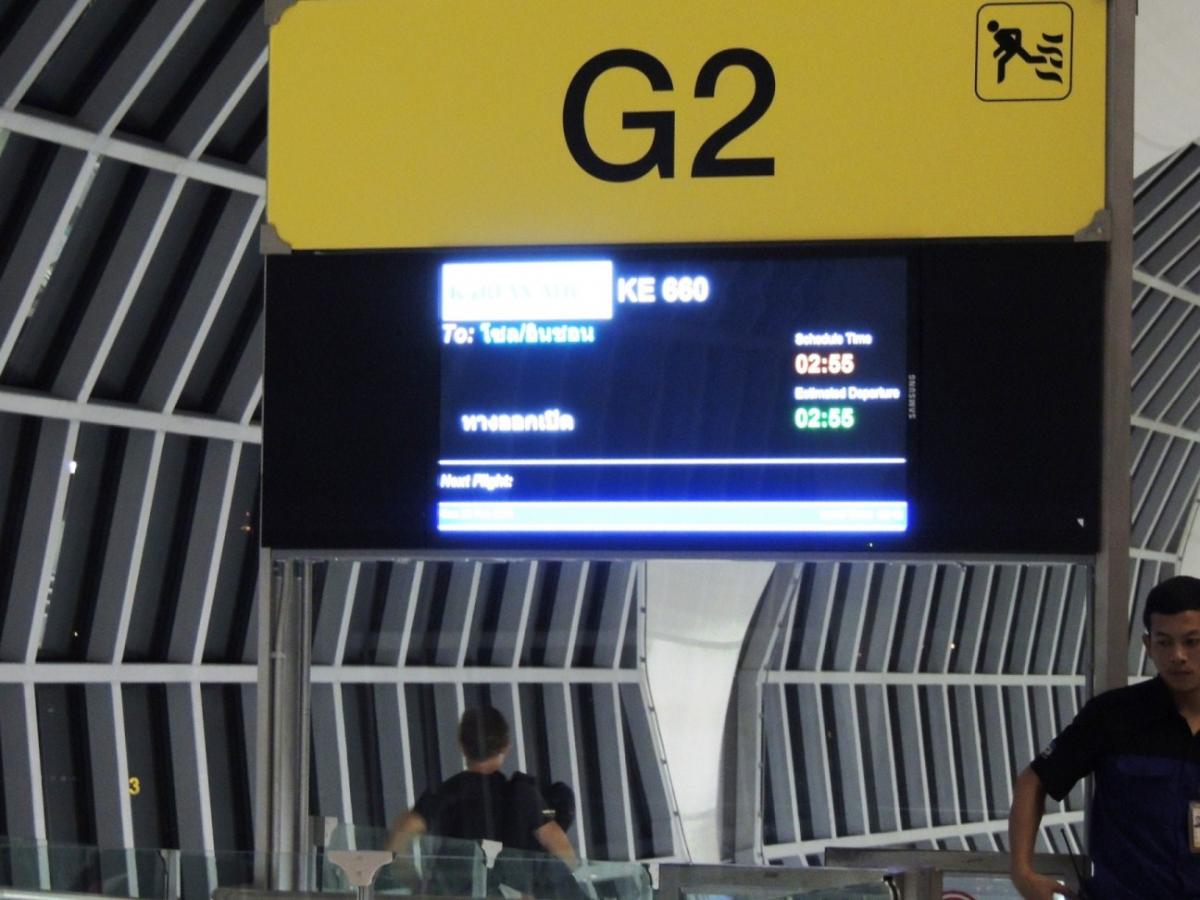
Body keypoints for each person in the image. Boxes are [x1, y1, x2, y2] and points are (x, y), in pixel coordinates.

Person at [1008, 575, 1200, 899]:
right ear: (1148, 645)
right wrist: (1021, 871)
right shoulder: (1114, 715)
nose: (1178, 655)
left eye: (1192, 641)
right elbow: (1034, 780)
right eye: (1164, 642)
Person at [387, 706, 577, 895]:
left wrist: (417, 885)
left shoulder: (446, 792)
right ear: (506, 746)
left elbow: (402, 835)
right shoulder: (522, 794)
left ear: (462, 746)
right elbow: (564, 852)